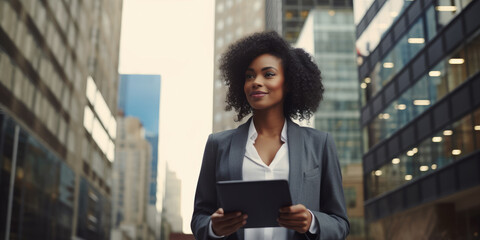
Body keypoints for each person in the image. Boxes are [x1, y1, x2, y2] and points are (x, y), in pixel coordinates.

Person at [191, 31, 349, 240]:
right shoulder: (217, 145)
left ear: (289, 82)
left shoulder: (320, 144)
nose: (256, 82)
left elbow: (340, 223)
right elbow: (199, 217)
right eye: (249, 76)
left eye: (268, 74)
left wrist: (311, 221)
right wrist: (214, 227)